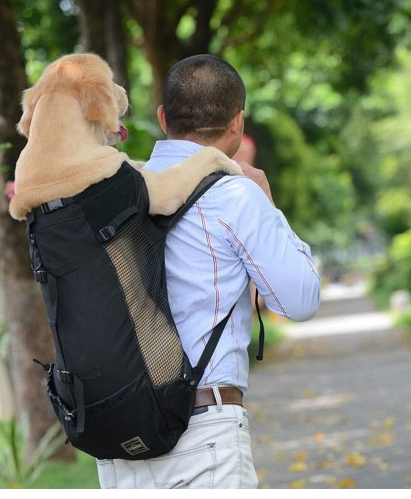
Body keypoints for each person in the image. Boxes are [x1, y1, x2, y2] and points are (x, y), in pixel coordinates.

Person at [96, 54, 321, 489]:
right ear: (237, 122)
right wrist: (269, 205)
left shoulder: (121, 189)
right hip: (204, 433)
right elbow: (301, 300)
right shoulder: (236, 195)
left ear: (163, 117)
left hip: (120, 441)